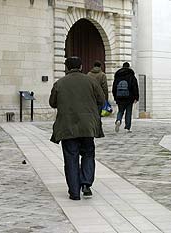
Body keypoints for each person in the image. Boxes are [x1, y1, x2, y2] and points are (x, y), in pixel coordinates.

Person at [49, 57, 105, 200]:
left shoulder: (59, 83)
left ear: (66, 67)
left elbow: (52, 103)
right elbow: (101, 100)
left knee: (70, 158)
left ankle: (74, 192)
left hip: (67, 126)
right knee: (88, 154)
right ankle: (86, 184)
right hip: (87, 126)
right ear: (81, 67)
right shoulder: (91, 81)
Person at [112, 62, 139, 133]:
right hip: (129, 97)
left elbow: (114, 87)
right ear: (129, 67)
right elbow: (135, 87)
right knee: (128, 112)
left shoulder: (118, 75)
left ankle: (118, 120)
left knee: (120, 111)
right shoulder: (131, 76)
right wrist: (136, 97)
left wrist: (115, 96)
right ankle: (127, 127)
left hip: (119, 97)